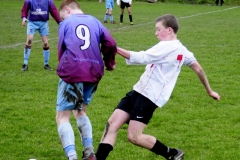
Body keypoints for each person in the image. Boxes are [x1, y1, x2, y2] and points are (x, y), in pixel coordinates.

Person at [95, 14, 220, 160]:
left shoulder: (168, 46)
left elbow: (142, 57)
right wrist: (209, 90)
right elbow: (198, 69)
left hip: (149, 97)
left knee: (134, 136)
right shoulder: (183, 50)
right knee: (112, 124)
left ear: (169, 30)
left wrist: (113, 47)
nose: (155, 33)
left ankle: (172, 154)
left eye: (158, 29)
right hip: (138, 90)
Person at [56, 0, 117, 160]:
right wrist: (109, 62)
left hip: (73, 71)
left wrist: (63, 68)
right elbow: (110, 43)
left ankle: (72, 157)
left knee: (62, 116)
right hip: (94, 71)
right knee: (80, 110)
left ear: (67, 9)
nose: (62, 19)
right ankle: (89, 153)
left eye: (62, 16)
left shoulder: (66, 23)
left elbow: (61, 49)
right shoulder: (95, 21)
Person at [21, 0, 61, 71]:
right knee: (29, 40)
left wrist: (60, 23)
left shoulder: (49, 1)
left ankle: (46, 64)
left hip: (43, 23)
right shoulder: (29, 1)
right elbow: (24, 10)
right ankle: (25, 64)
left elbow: (54, 12)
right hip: (32, 23)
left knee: (45, 43)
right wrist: (24, 18)